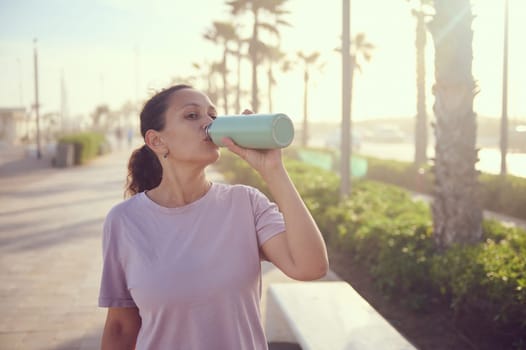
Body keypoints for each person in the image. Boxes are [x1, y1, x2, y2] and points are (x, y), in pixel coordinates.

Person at [98, 84, 329, 350]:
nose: (208, 122)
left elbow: (311, 267)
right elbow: (120, 327)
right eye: (192, 116)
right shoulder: (124, 221)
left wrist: (273, 169)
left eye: (213, 115)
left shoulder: (246, 203)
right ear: (156, 141)